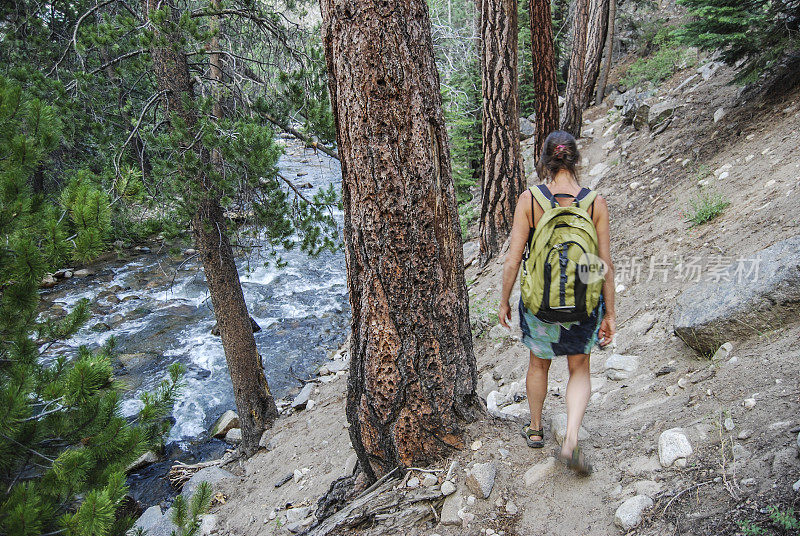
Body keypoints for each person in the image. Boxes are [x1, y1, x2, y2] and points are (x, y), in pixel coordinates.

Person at [498, 130, 616, 475]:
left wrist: (504, 300)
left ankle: (535, 430)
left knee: (539, 364)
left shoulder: (530, 200)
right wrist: (610, 312)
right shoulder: (595, 203)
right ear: (575, 159)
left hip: (540, 304)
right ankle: (571, 441)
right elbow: (604, 263)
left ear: (546, 161)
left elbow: (513, 258)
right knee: (579, 368)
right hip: (583, 303)